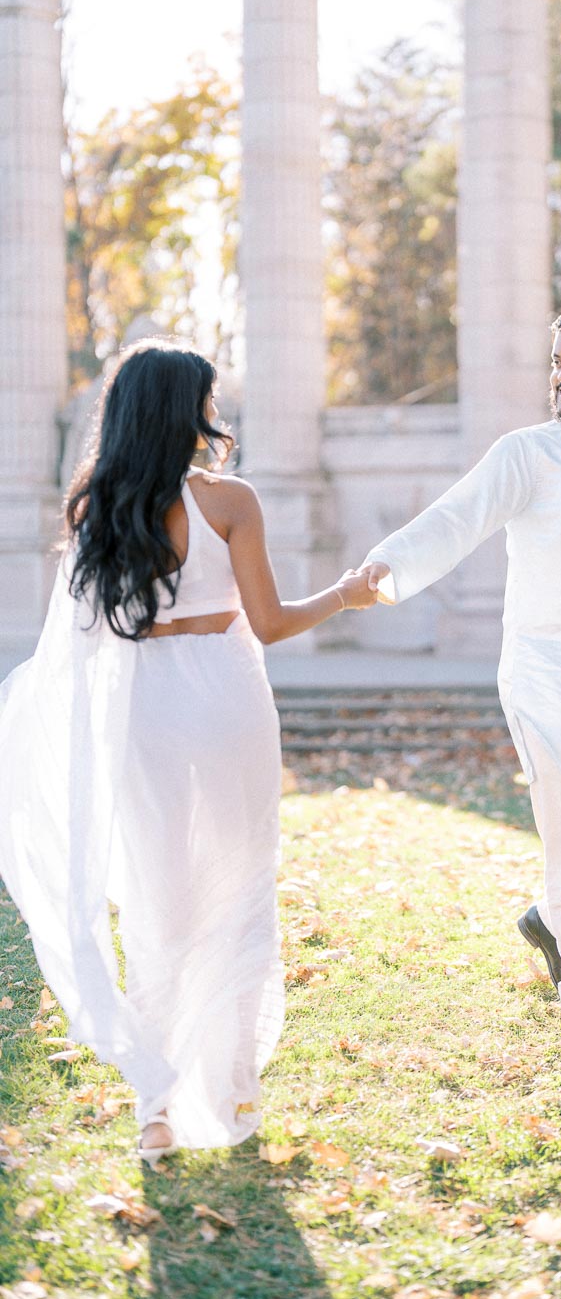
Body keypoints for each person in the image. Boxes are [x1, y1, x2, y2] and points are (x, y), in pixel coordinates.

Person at [0, 340, 377, 1161]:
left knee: (156, 897)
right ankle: (232, 1091)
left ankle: (156, 1112)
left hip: (147, 710)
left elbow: (87, 641)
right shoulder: (230, 500)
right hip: (229, 705)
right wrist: (345, 594)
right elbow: (271, 623)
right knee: (238, 888)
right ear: (188, 410)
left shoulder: (98, 509)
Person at [361, 305, 561, 1076]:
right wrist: (386, 565)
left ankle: (555, 924)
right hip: (549, 684)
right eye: (557, 363)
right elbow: (456, 517)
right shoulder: (526, 454)